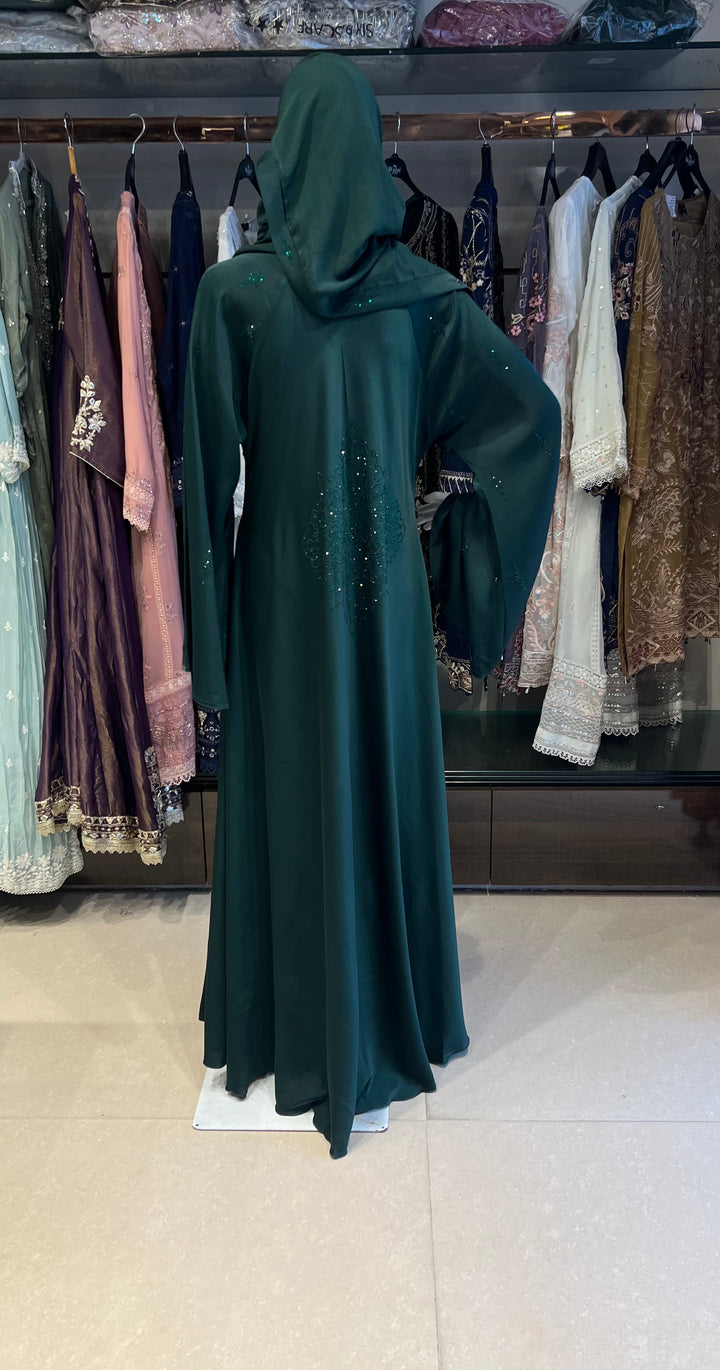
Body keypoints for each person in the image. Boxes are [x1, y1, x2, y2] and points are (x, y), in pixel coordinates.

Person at [183, 53, 561, 1158]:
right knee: (378, 782)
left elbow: (205, 486)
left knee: (291, 784)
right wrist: (449, 548)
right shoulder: (423, 302)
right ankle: (392, 1008)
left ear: (290, 150)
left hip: (278, 601)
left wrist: (212, 652)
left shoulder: (235, 296)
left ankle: (284, 1017)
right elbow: (529, 419)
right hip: (384, 600)